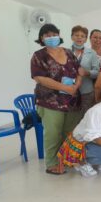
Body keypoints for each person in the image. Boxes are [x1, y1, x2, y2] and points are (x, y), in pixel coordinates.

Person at [31, 23, 83, 175]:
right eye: (47, 35)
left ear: (59, 35)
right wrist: (65, 87)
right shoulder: (39, 56)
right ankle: (52, 163)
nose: (51, 37)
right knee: (53, 133)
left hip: (72, 100)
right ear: (41, 38)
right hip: (50, 101)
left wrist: (76, 86)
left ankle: (67, 158)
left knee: (69, 132)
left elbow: (79, 71)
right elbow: (39, 78)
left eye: (54, 34)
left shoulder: (68, 52)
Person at [70, 25, 100, 115]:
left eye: (82, 36)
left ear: (86, 39)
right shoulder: (66, 52)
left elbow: (97, 72)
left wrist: (87, 72)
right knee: (72, 119)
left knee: (86, 118)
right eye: (76, 35)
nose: (79, 38)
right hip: (70, 91)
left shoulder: (92, 53)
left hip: (86, 92)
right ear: (72, 37)